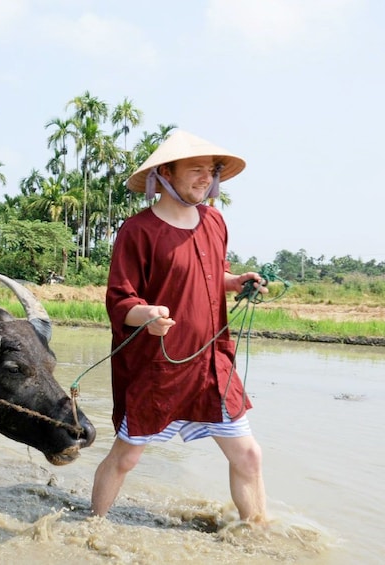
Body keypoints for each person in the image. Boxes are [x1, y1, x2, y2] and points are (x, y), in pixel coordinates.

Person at [90, 130, 268, 523]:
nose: (207, 178)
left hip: (212, 363)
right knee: (127, 457)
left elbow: (209, 274)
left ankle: (258, 532)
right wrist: (148, 315)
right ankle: (92, 525)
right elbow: (120, 300)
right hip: (159, 367)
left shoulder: (214, 222)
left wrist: (236, 281)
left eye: (212, 171)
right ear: (166, 174)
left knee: (249, 454)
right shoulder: (137, 231)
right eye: (197, 170)